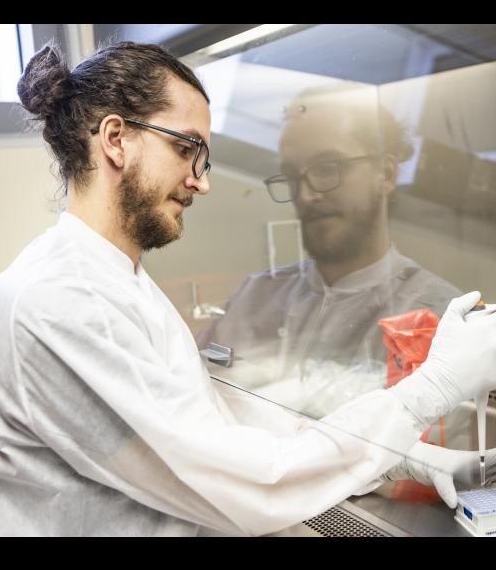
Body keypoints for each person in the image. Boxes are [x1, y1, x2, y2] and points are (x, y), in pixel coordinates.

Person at [0, 41, 496, 536]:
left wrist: (411, 455)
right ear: (116, 139)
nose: (202, 183)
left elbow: (211, 420)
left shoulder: (112, 281)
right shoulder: (53, 304)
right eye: (188, 149)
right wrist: (427, 393)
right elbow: (251, 485)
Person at [198, 85, 461, 417]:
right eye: (292, 176)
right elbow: (201, 382)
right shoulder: (255, 297)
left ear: (387, 174)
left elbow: (429, 445)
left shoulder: (438, 313)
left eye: (326, 168)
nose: (306, 195)